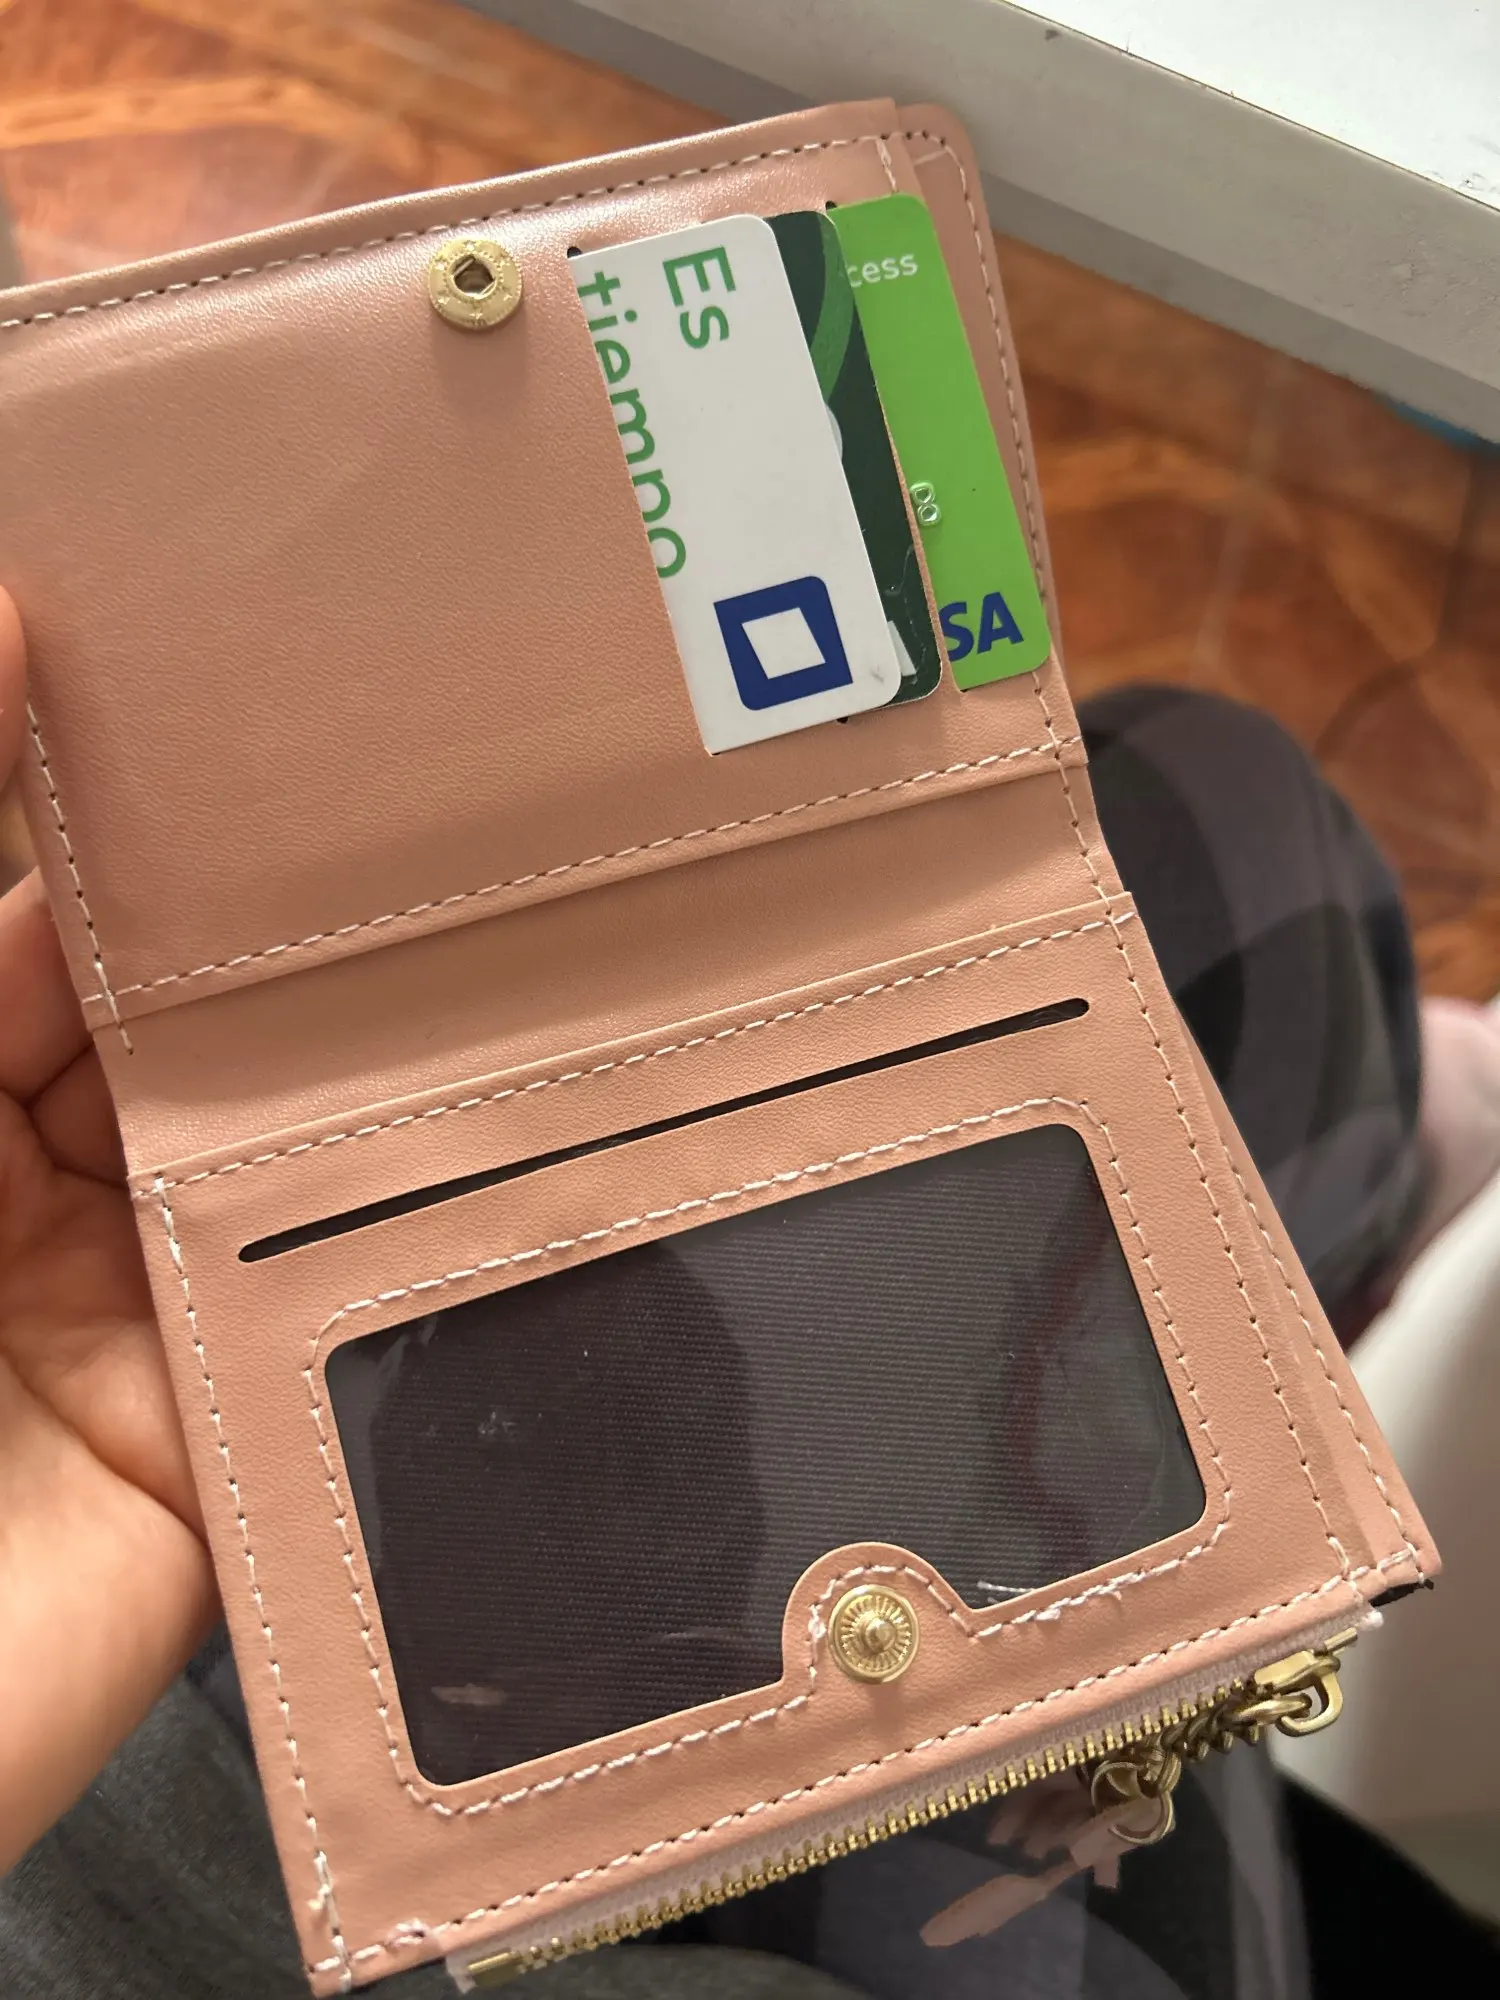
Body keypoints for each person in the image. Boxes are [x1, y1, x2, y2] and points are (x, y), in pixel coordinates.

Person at [2, 584, 1499, 1998]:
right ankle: (1400, 1174)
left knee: (1210, 839)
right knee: (1220, 824)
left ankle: (1383, 1186)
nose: (601, 1458)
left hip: (137, 1699)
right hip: (381, 1837)